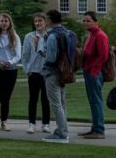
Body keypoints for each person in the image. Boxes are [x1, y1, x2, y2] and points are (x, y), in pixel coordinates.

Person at [41, 9, 71, 144]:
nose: (45, 22)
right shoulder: (68, 33)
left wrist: (43, 53)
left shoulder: (52, 36)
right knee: (62, 103)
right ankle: (63, 130)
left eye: (46, 19)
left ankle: (62, 134)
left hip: (52, 72)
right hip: (64, 71)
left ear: (51, 20)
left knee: (56, 104)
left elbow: (51, 58)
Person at [80, 11, 109, 139]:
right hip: (88, 71)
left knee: (96, 101)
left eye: (88, 20)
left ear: (95, 22)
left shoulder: (100, 35)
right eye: (84, 21)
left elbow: (103, 55)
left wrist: (93, 69)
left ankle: (99, 131)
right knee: (93, 101)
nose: (86, 23)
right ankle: (94, 129)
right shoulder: (91, 35)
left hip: (94, 73)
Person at [21, 13, 51, 134]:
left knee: (46, 99)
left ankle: (46, 124)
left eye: (40, 21)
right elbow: (25, 55)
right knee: (33, 99)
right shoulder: (29, 36)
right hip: (33, 71)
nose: (38, 23)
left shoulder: (50, 36)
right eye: (36, 21)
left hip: (46, 72)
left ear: (45, 22)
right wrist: (27, 69)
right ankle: (31, 124)